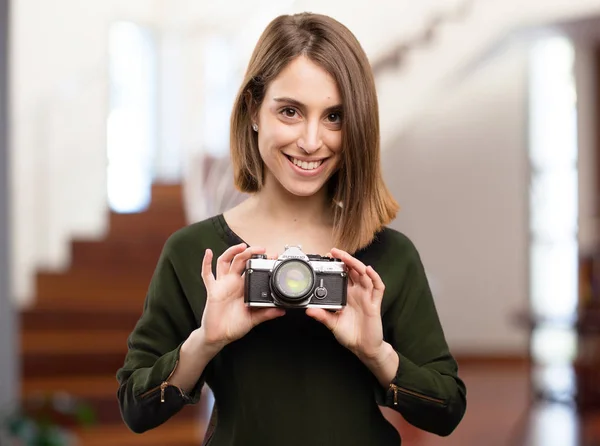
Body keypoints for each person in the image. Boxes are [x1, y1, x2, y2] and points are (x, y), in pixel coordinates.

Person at [116, 12, 467, 446]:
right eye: (290, 111)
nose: (311, 141)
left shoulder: (386, 255)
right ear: (253, 111)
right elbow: (136, 407)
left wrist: (378, 355)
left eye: (335, 116)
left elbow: (447, 410)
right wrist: (204, 342)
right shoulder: (198, 253)